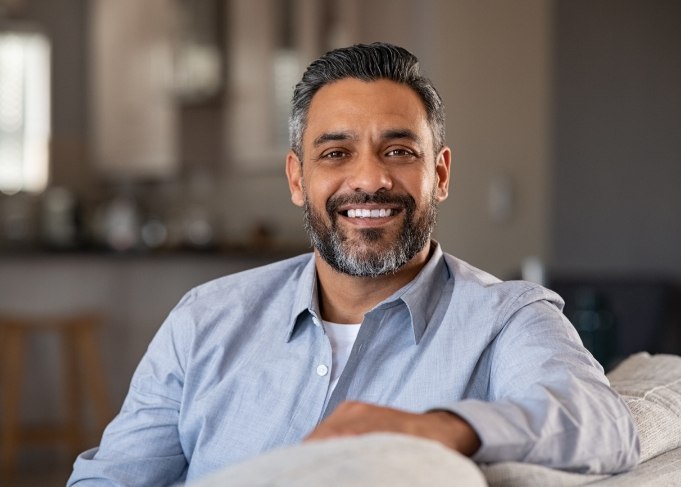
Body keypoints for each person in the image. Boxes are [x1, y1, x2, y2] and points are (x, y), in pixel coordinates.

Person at [68, 42, 639, 486]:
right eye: (336, 153)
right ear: (298, 178)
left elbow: (603, 425)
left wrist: (435, 428)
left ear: (439, 174)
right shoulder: (205, 318)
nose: (369, 179)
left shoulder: (507, 318)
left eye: (398, 151)